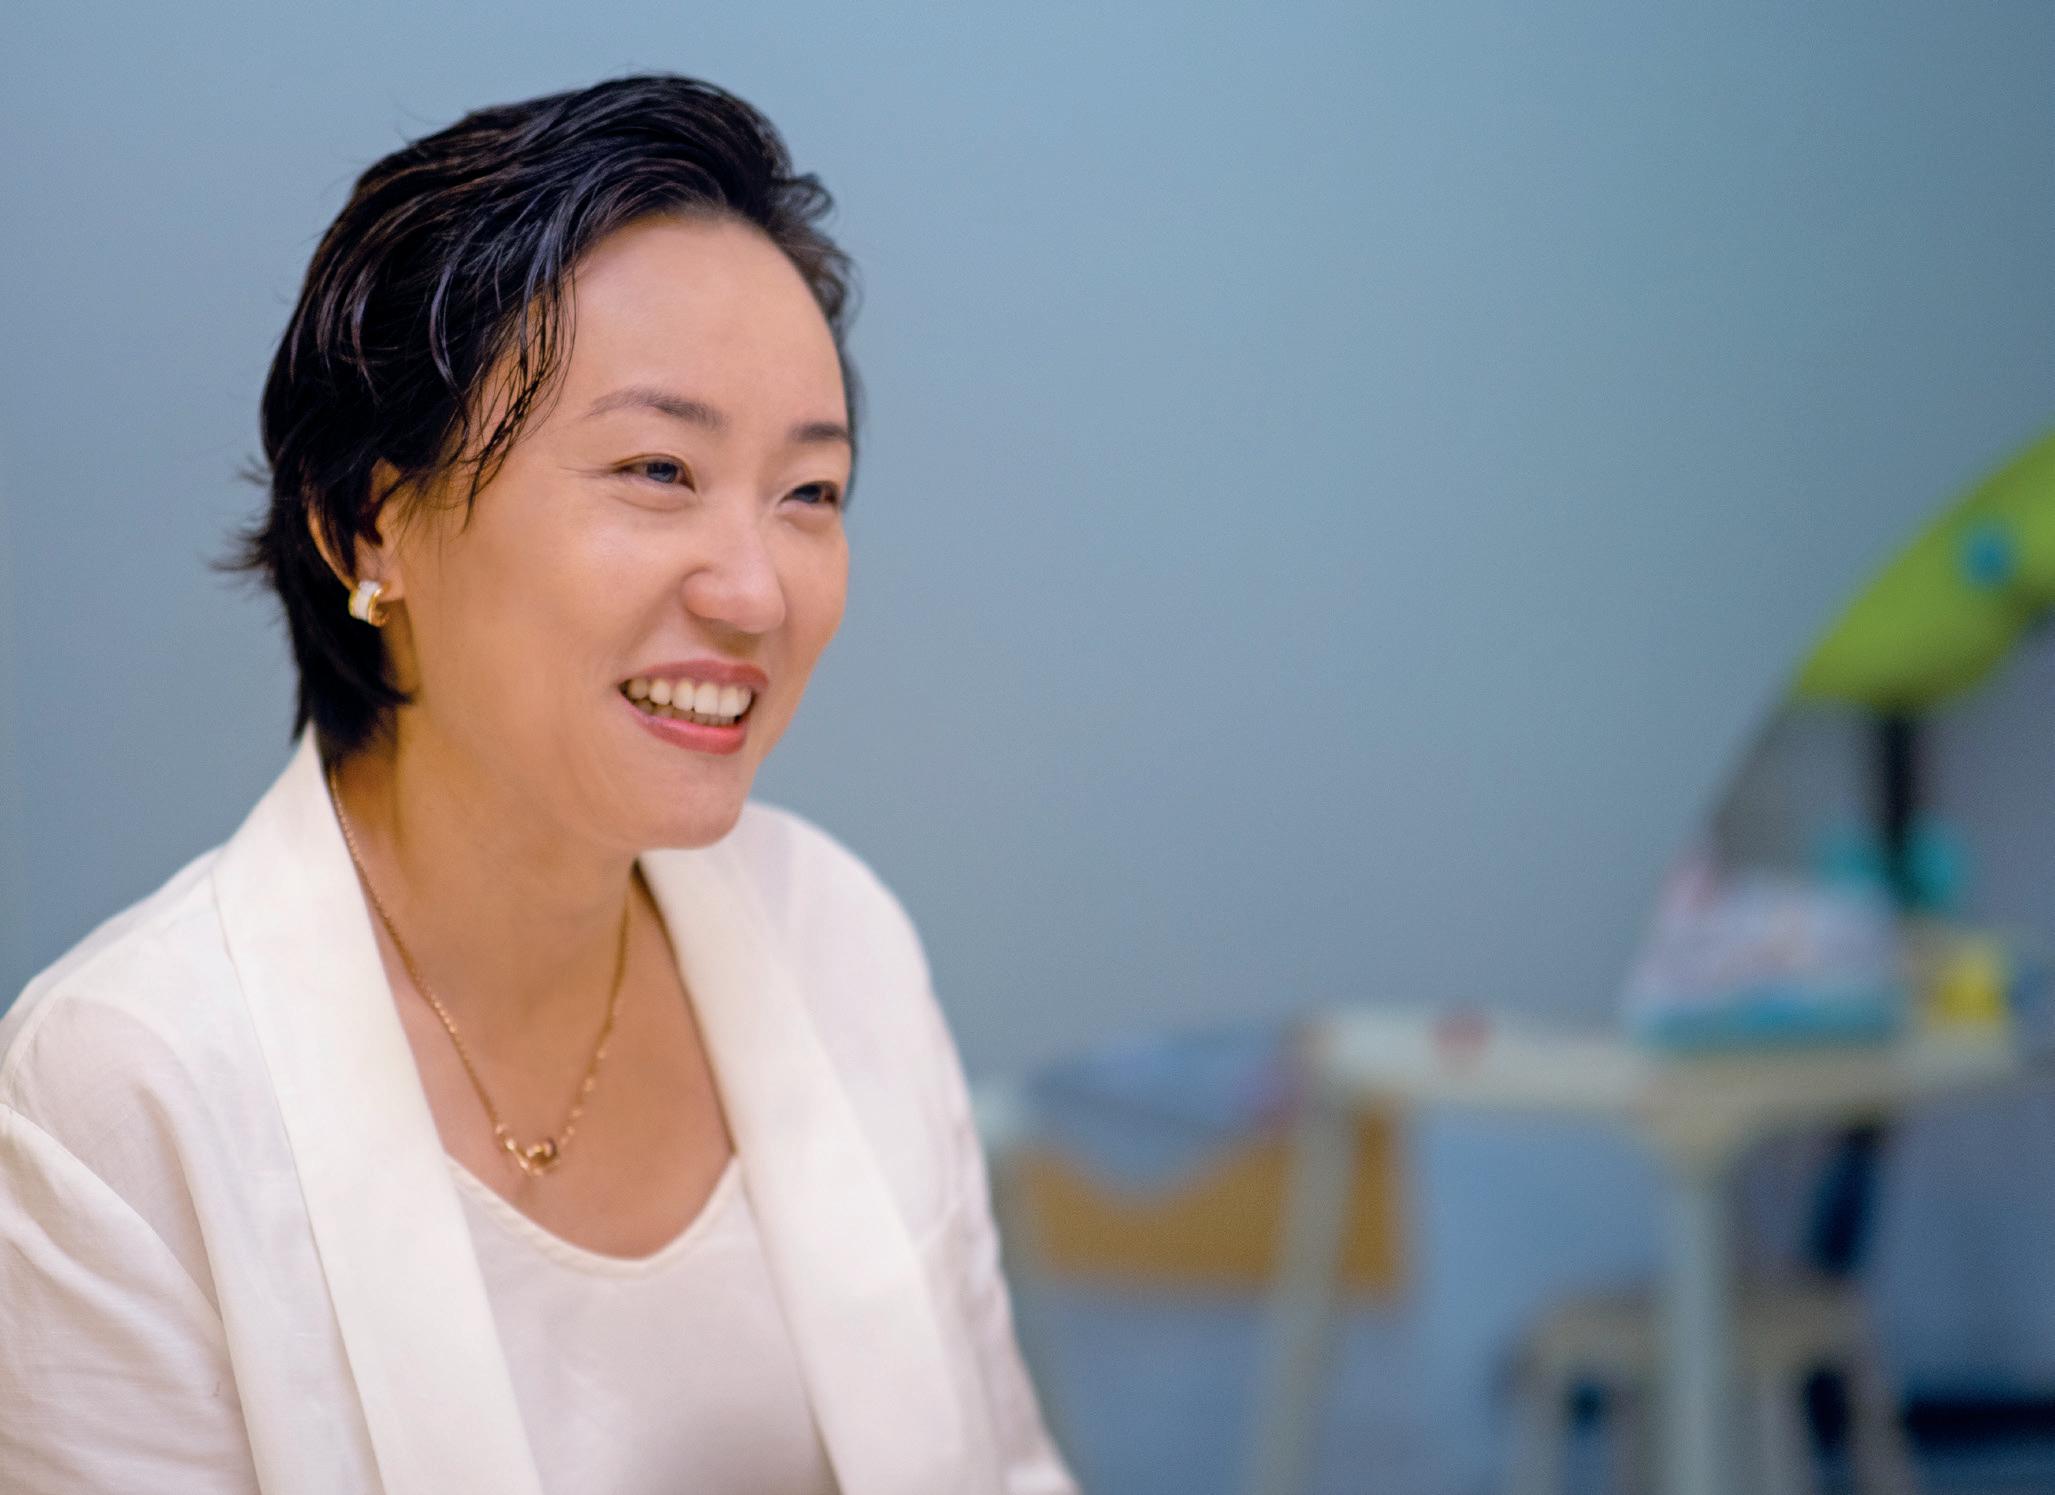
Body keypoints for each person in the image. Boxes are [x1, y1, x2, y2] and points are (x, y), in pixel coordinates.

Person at [0, 73, 1078, 1495]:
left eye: (809, 493)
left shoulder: (839, 936)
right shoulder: (124, 1092)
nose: (756, 592)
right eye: (658, 468)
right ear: (369, 524)